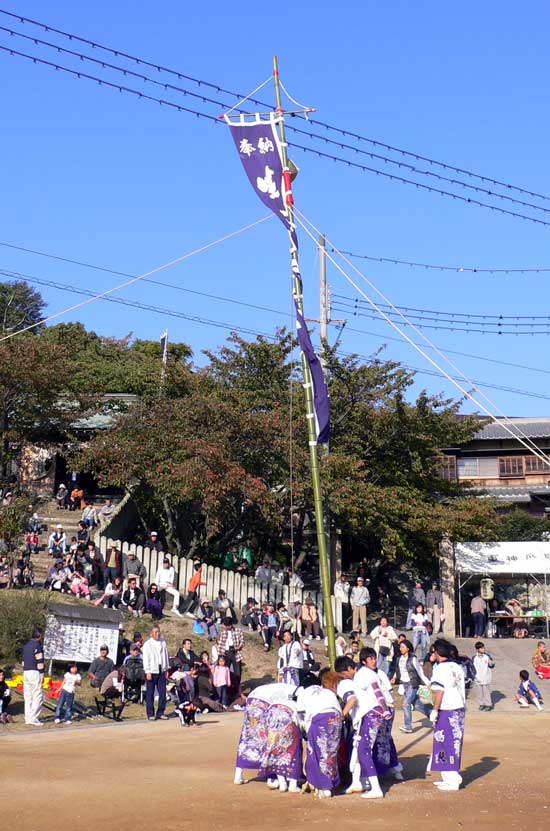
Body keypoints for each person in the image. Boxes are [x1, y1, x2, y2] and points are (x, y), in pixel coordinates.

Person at [336, 654, 389, 798]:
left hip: (369, 713)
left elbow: (352, 700)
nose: (342, 677)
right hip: (374, 712)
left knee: (362, 749)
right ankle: (357, 782)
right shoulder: (363, 675)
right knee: (358, 748)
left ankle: (376, 788)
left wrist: (340, 716)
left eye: (342, 674)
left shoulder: (350, 681)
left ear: (347, 670)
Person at [428, 638, 466, 791]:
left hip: (447, 709)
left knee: (447, 742)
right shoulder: (456, 666)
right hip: (459, 708)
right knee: (447, 742)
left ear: (437, 652)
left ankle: (452, 779)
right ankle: (447, 776)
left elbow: (440, 690)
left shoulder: (440, 669)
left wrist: (435, 710)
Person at [361, 648, 404, 783]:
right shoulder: (364, 673)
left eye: (374, 658)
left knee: (380, 741)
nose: (374, 661)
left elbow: (386, 693)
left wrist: (385, 709)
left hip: (384, 709)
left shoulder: (379, 673)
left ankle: (378, 773)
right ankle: (394, 769)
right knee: (384, 740)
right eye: (370, 659)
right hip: (380, 709)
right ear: (364, 661)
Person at [297, 671, 342, 798]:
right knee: (330, 752)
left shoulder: (303, 692)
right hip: (336, 718)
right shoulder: (328, 692)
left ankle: (323, 785)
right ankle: (330, 782)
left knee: (315, 753)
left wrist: (305, 731)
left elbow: (301, 715)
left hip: (320, 719)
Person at [392, 637, 431, 733]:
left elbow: (420, 672)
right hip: (404, 684)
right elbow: (398, 671)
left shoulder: (413, 659)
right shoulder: (399, 659)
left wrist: (428, 683)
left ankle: (408, 726)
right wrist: (394, 678)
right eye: (400, 647)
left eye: (403, 647)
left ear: (408, 648)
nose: (401, 649)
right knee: (417, 704)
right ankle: (434, 715)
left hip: (412, 684)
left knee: (406, 704)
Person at [142, 624, 170, 720]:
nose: (158, 634)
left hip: (161, 670)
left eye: (158, 632)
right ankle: (150, 714)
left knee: (163, 692)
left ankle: (160, 712)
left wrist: (166, 668)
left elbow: (166, 656)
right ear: (151, 634)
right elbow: (146, 659)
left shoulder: (163, 642)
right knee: (150, 693)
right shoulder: (147, 644)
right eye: (155, 632)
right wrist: (147, 671)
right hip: (151, 671)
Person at [22, 626, 44, 726]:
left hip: (25, 672)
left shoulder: (26, 646)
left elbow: (23, 661)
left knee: (28, 696)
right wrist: (42, 673)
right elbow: (39, 661)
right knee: (38, 696)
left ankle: (27, 718)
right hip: (34, 672)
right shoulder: (37, 645)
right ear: (39, 635)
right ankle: (33, 718)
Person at [217, 618, 245, 686]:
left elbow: (242, 641)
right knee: (225, 671)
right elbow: (220, 644)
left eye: (228, 625)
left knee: (237, 672)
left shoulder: (238, 631)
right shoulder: (223, 632)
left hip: (235, 652)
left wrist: (239, 647)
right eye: (226, 625)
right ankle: (227, 687)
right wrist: (220, 655)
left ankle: (237, 688)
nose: (227, 627)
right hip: (226, 652)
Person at [472, 641, 495, 711]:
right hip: (478, 677)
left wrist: (492, 663)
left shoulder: (487, 657)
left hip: (485, 677)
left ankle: (488, 704)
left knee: (486, 692)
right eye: (481, 648)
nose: (483, 649)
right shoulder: (474, 658)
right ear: (477, 649)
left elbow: (491, 665)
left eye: (483, 648)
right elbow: (472, 667)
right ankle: (481, 704)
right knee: (479, 693)